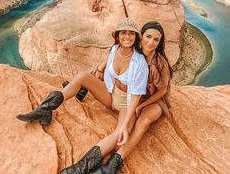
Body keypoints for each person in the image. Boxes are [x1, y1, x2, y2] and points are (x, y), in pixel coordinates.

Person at [16, 17, 149, 174]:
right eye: (123, 33)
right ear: (117, 36)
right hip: (110, 94)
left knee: (118, 134)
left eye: (131, 34)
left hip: (127, 104)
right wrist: (99, 68)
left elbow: (135, 97)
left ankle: (80, 168)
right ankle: (46, 109)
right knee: (82, 76)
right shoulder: (115, 49)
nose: (127, 37)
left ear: (136, 37)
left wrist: (127, 124)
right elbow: (108, 60)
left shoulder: (139, 63)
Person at [100, 21, 172, 174]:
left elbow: (162, 91)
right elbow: (115, 54)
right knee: (126, 127)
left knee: (143, 121)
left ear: (160, 42)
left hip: (155, 100)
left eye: (156, 40)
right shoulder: (134, 50)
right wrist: (100, 67)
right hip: (135, 96)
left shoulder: (160, 63)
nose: (151, 42)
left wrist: (141, 106)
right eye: (148, 37)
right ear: (141, 36)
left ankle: (116, 160)